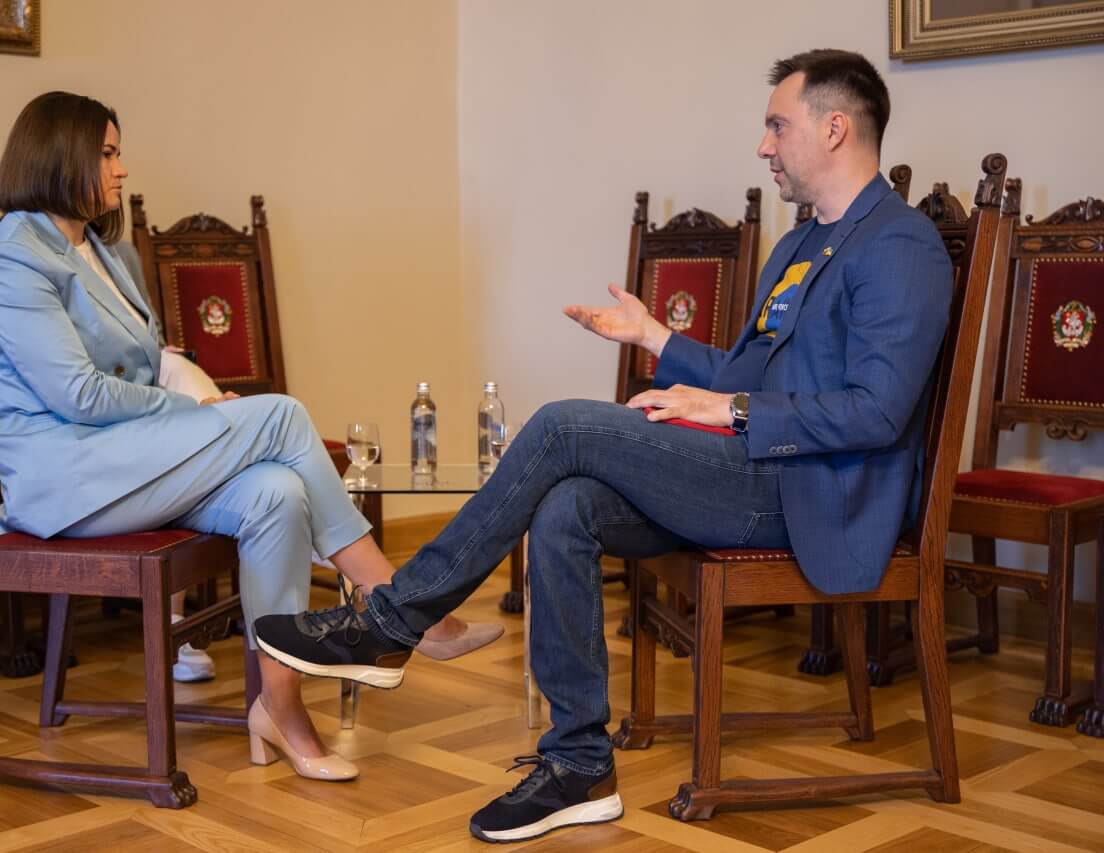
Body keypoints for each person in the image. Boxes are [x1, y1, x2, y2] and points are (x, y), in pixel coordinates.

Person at [253, 49, 954, 840]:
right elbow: (742, 375)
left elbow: (877, 412)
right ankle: (579, 762)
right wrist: (655, 337)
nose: (763, 145)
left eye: (776, 126)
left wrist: (729, 409)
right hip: (760, 471)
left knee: (564, 424)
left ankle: (390, 623)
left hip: (815, 496)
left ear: (834, 128)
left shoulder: (900, 245)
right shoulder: (801, 245)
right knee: (568, 503)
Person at [0, 91, 502, 783]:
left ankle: (280, 709)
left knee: (277, 493)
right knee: (280, 415)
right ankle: (404, 604)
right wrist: (193, 414)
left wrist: (200, 406)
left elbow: (146, 361)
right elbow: (79, 395)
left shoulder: (102, 249)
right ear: (58, 154)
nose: (121, 168)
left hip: (122, 461)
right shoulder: (15, 255)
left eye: (118, 153)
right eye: (107, 153)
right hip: (64, 477)